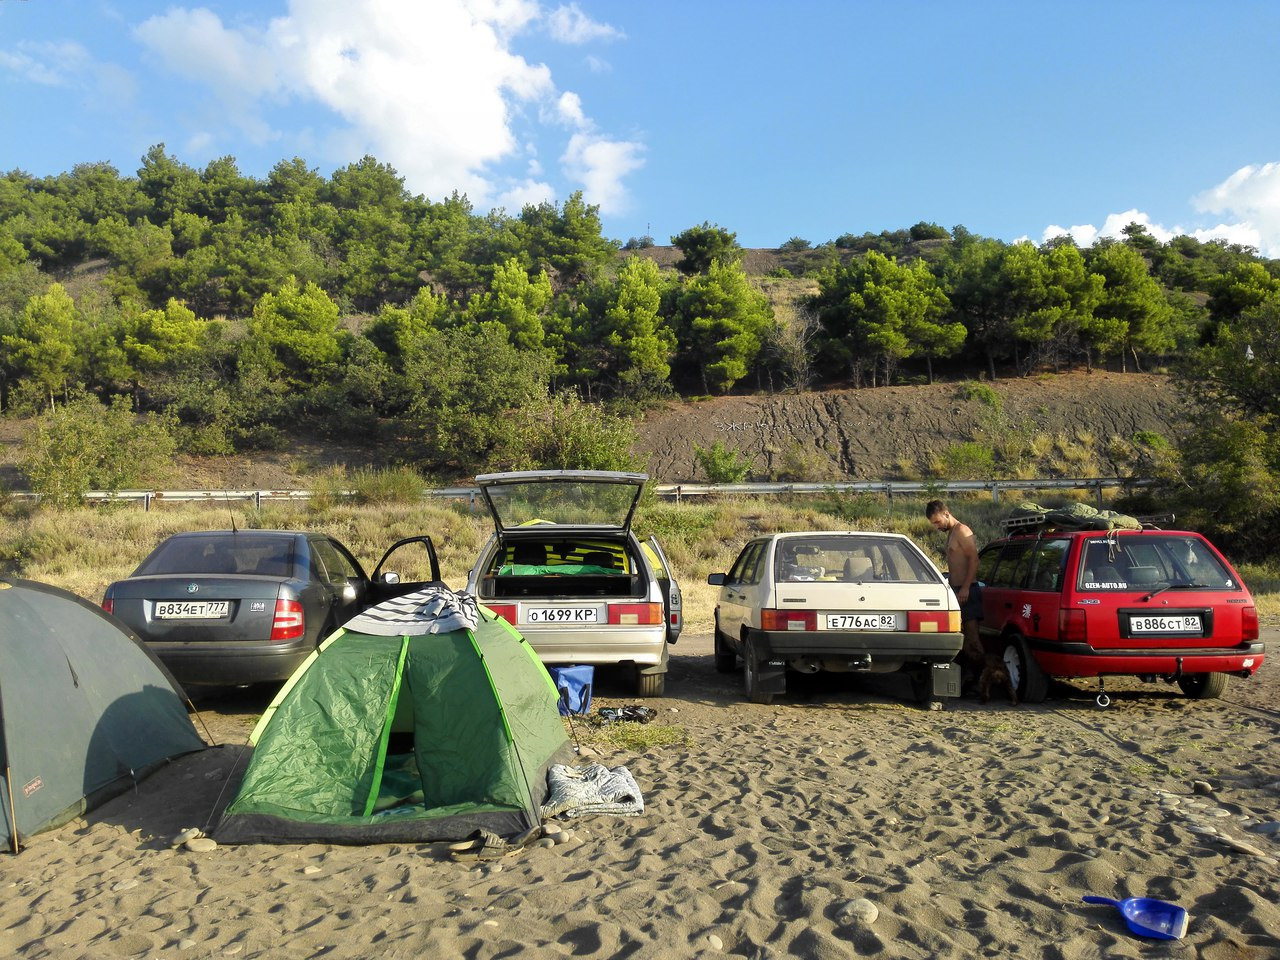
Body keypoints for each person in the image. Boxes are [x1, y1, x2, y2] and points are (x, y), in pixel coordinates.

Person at [925, 500, 984, 676]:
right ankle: (969, 678)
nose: (937, 526)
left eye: (937, 522)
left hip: (968, 591)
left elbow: (974, 560)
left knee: (973, 640)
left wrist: (965, 587)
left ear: (946, 514)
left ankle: (984, 677)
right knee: (962, 640)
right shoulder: (952, 533)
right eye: (933, 524)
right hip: (957, 591)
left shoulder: (961, 531)